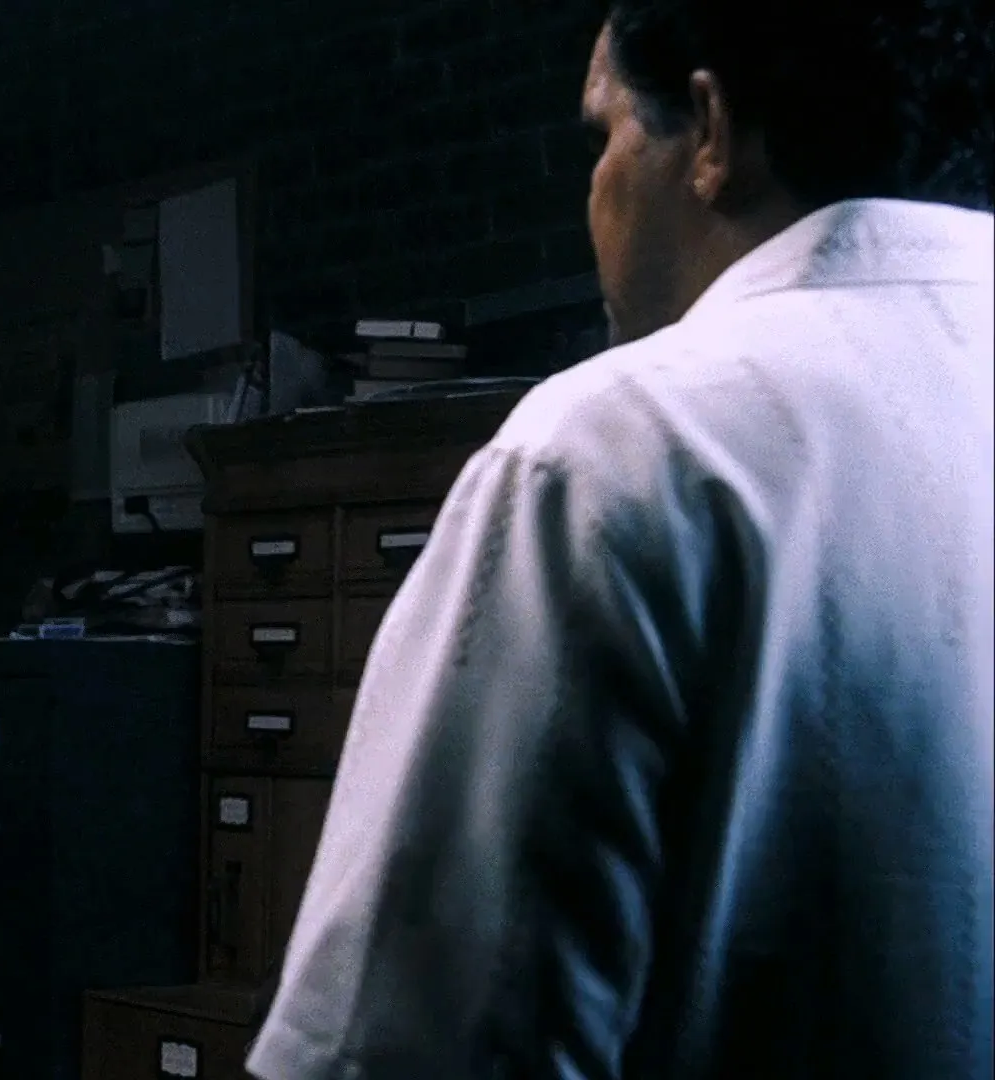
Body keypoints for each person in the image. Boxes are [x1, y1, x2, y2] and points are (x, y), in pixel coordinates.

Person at [249, 2, 992, 1077]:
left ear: (711, 132)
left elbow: (406, 1051)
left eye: (605, 136)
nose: (594, 188)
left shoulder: (617, 448)